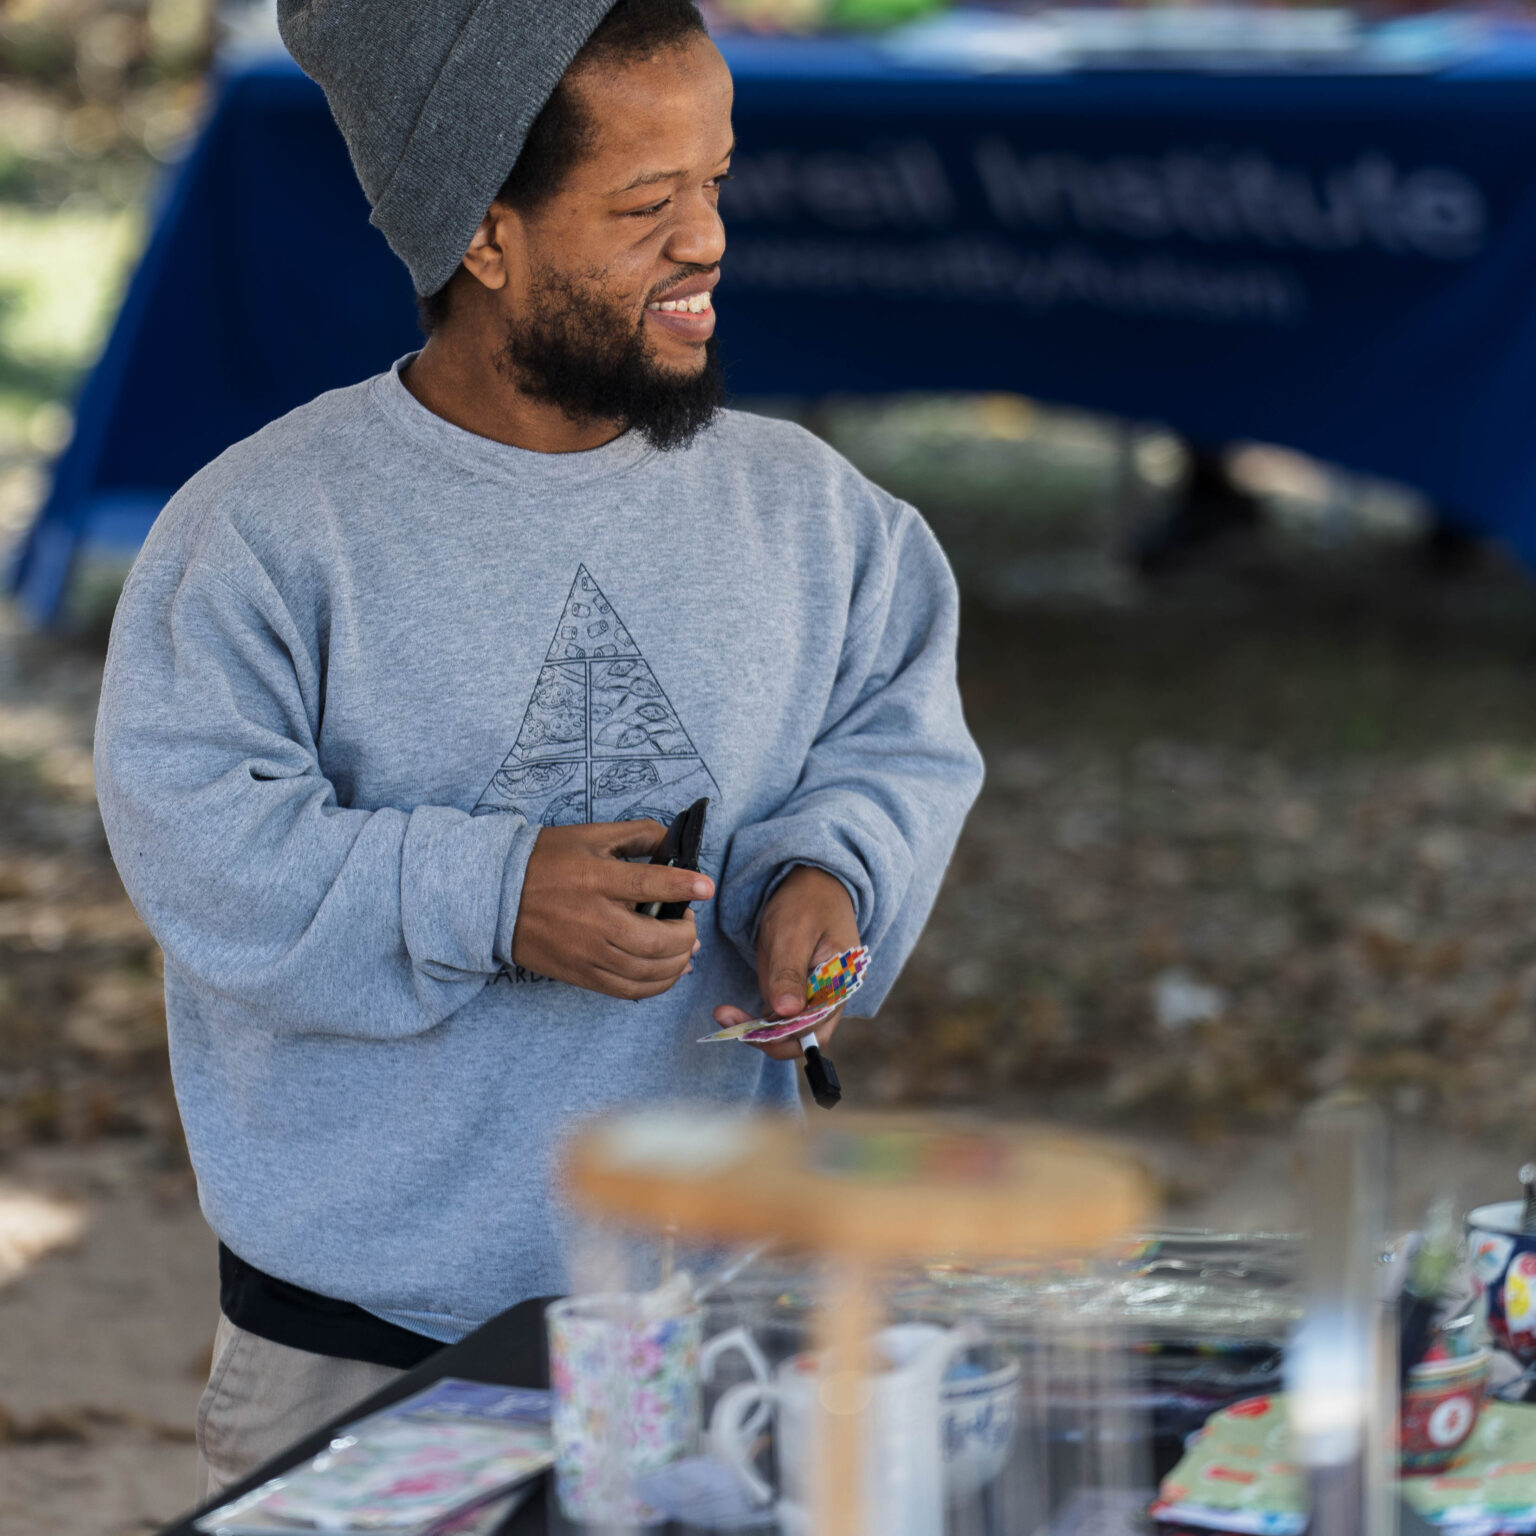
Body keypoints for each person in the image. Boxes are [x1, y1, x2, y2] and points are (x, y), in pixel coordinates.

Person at [92, 0, 983, 1501]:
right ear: (486, 235)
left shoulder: (813, 514)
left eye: (718, 177)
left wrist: (831, 875)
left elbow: (894, 728)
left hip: (718, 1330)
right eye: (646, 206)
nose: (707, 240)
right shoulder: (264, 533)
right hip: (364, 1356)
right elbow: (202, 848)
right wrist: (493, 896)